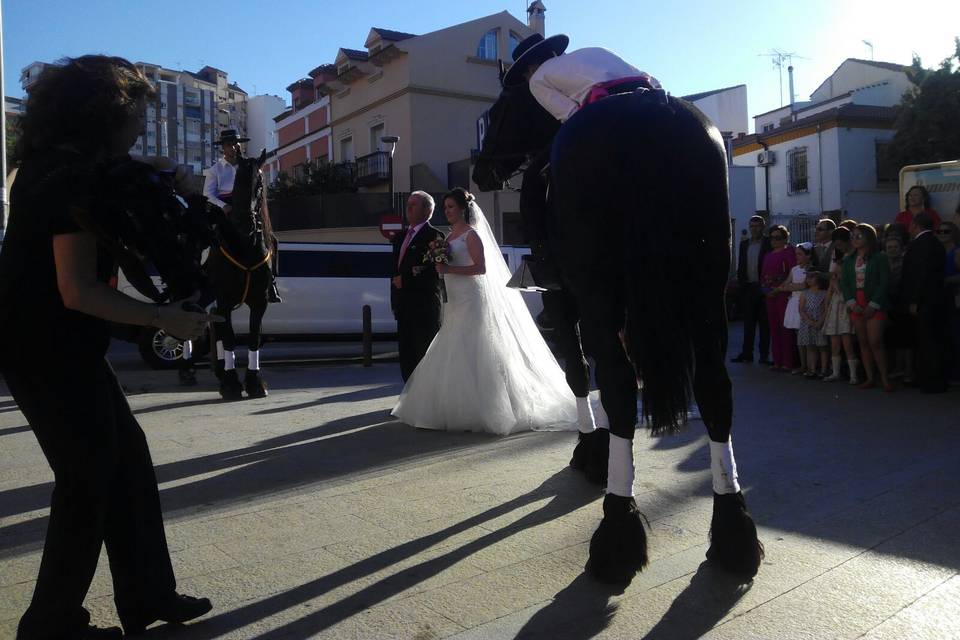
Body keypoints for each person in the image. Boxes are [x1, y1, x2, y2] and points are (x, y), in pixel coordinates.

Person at [0, 55, 215, 640]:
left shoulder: (55, 167)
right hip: (46, 348)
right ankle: (50, 624)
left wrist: (159, 178)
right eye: (138, 113)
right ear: (106, 114)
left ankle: (149, 593)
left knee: (125, 460)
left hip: (48, 346)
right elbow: (78, 290)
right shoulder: (69, 183)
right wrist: (162, 316)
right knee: (88, 476)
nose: (143, 125)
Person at [392, 188, 577, 434]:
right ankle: (451, 406)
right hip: (455, 300)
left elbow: (480, 268)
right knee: (452, 348)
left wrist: (449, 271)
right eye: (445, 207)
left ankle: (486, 407)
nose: (447, 212)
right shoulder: (448, 237)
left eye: (451, 207)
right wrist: (438, 266)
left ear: (463, 209)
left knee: (475, 348)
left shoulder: (471, 235)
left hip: (471, 298)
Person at [203, 129, 282, 304]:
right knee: (213, 239)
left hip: (248, 209)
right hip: (226, 211)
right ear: (223, 148)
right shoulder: (215, 170)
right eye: (229, 144)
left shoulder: (249, 167)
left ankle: (271, 283)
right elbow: (208, 194)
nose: (233, 147)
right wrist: (224, 206)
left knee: (273, 240)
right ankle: (208, 276)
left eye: (236, 143)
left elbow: (258, 191)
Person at [391, 191, 444, 382]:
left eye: (414, 204)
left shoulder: (436, 235)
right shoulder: (400, 237)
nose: (409, 208)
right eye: (408, 204)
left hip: (424, 308)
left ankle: (427, 402)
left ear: (427, 209)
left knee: (424, 356)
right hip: (403, 306)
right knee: (406, 357)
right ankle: (408, 401)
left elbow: (437, 272)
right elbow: (394, 271)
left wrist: (407, 281)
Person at [842, 224, 892, 391]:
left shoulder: (880, 258)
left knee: (875, 341)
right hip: (856, 303)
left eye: (859, 236)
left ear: (869, 238)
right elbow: (846, 284)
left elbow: (884, 283)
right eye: (853, 236)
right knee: (863, 342)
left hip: (873, 302)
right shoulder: (848, 260)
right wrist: (851, 303)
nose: (855, 239)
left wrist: (874, 304)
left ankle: (884, 378)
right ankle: (870, 378)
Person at [902, 211, 947, 393]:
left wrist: (914, 300)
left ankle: (931, 381)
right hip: (935, 299)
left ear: (915, 225)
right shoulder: (935, 243)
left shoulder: (921, 245)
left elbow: (921, 275)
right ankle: (928, 378)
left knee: (927, 340)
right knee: (932, 339)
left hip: (924, 301)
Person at [731, 215, 772, 364]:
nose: (754, 229)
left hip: (763, 287)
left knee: (764, 324)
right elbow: (741, 265)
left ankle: (764, 355)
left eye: (757, 226)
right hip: (748, 287)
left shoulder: (768, 243)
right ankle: (747, 353)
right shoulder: (744, 244)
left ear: (763, 227)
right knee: (748, 323)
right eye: (752, 226)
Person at [822, 227, 859, 383]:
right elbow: (832, 278)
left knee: (847, 338)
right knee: (834, 338)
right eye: (836, 245)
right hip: (837, 298)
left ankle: (853, 374)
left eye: (841, 243)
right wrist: (828, 298)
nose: (839, 247)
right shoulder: (836, 256)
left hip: (849, 297)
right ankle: (836, 372)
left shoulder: (856, 256)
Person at [760, 225, 797, 371]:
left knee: (785, 328)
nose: (775, 241)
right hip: (770, 295)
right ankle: (777, 360)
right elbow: (762, 275)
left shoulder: (789, 252)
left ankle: (788, 362)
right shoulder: (767, 255)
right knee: (774, 327)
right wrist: (766, 290)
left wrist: (779, 288)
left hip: (783, 294)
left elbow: (792, 273)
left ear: (785, 238)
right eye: (772, 238)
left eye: (778, 238)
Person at [883, 234, 913, 383]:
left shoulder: (906, 262)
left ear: (901, 248)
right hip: (888, 304)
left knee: (906, 341)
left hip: (903, 304)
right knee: (893, 340)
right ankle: (897, 368)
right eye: (889, 247)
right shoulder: (883, 263)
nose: (892, 250)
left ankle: (908, 371)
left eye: (895, 247)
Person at [935, 220, 960, 382]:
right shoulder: (938, 252)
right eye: (940, 231)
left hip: (954, 297)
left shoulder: (956, 252)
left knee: (955, 335)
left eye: (946, 231)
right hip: (941, 298)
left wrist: (947, 280)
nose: (942, 234)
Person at [783, 242, 813, 374]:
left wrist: (791, 286)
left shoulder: (810, 269)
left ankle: (810, 365)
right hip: (794, 302)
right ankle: (802, 364)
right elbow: (786, 284)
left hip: (805, 302)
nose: (797, 257)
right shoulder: (794, 269)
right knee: (798, 335)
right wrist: (790, 286)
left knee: (806, 335)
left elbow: (804, 285)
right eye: (796, 254)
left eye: (800, 254)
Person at [798, 271, 829, 377]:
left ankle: (824, 370)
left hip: (820, 322)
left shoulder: (824, 293)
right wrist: (810, 321)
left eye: (812, 277)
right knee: (810, 347)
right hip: (808, 323)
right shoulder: (805, 293)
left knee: (822, 347)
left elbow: (826, 309)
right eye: (807, 277)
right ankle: (812, 369)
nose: (809, 279)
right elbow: (801, 309)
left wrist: (820, 321)